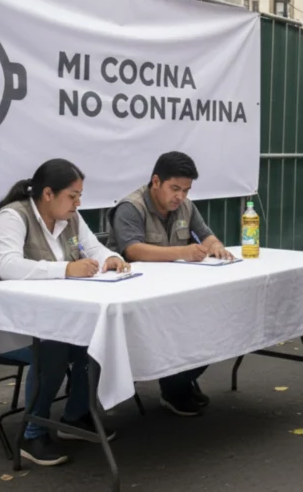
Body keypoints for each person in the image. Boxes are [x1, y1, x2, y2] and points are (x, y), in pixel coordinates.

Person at [0, 159, 127, 466]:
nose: (78, 202)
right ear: (47, 194)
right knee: (54, 347)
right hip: (5, 320)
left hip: (52, 313)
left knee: (93, 337)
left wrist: (111, 258)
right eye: (72, 195)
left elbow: (94, 248)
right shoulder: (12, 217)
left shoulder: (70, 217)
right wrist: (67, 269)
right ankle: (32, 433)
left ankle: (75, 417)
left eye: (79, 195)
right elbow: (8, 267)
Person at [106, 151, 233, 416]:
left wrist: (217, 247)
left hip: (173, 292)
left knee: (214, 328)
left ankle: (180, 382)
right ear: (156, 182)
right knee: (182, 330)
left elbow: (206, 235)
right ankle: (175, 386)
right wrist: (183, 252)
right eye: (175, 189)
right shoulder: (131, 207)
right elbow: (133, 251)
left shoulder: (186, 206)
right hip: (133, 296)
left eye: (186, 190)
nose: (180, 197)